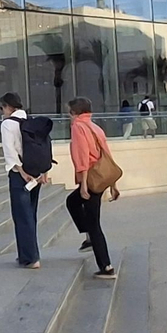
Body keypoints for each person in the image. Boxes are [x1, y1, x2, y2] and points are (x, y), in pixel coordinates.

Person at [65, 98, 119, 278]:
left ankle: (106, 266)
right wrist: (113, 184)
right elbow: (107, 156)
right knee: (72, 202)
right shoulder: (95, 127)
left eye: (69, 112)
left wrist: (84, 185)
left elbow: (82, 159)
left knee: (94, 224)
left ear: (74, 112)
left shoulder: (78, 128)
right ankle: (88, 236)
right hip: (101, 178)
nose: (67, 115)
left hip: (91, 180)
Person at [0, 92, 43, 269]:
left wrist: (21, 171)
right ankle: (28, 254)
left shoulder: (8, 124)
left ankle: (30, 257)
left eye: (2, 107)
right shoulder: (30, 120)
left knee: (21, 216)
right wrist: (43, 171)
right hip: (36, 172)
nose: (2, 111)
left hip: (20, 174)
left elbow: (10, 151)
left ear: (8, 106)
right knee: (31, 215)